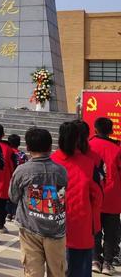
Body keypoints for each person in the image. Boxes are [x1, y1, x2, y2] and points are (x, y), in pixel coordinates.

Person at [9, 128, 67, 277]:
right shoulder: (61, 171)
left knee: (33, 272)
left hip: (30, 229)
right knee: (58, 271)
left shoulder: (22, 171)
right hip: (56, 230)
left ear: (27, 147)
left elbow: (13, 196)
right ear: (49, 147)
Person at [51, 121, 103, 277]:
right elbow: (98, 197)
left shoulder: (51, 161)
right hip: (82, 227)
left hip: (53, 226)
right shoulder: (89, 164)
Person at [89, 117, 121, 276]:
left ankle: (95, 259)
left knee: (95, 229)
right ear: (111, 130)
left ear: (95, 129)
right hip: (113, 196)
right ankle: (107, 263)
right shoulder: (117, 148)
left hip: (94, 195)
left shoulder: (88, 145)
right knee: (111, 231)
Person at [0, 123, 17, 234]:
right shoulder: (8, 149)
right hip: (3, 181)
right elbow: (13, 167)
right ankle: (1, 226)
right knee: (1, 207)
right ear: (3, 134)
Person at [6, 133, 28, 221]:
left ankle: (8, 213)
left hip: (8, 177)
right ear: (18, 143)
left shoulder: (6, 152)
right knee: (18, 196)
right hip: (19, 179)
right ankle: (15, 213)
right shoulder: (22, 155)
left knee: (8, 196)